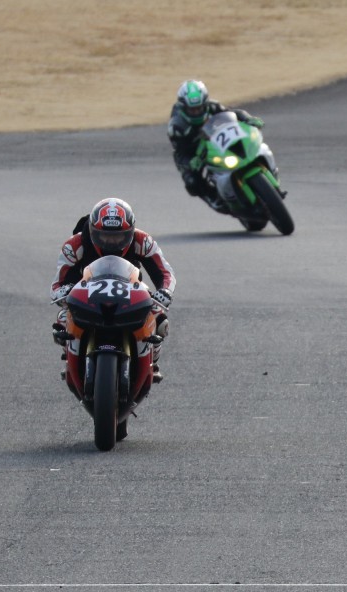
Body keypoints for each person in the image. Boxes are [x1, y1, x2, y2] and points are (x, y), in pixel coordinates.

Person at [51, 197, 176, 382]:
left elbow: (165, 273)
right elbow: (58, 283)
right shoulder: (75, 244)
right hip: (86, 293)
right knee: (63, 318)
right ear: (92, 231)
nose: (111, 241)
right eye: (104, 236)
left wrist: (165, 291)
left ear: (130, 231)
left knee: (160, 319)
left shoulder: (142, 240)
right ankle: (71, 359)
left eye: (119, 236)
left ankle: (153, 363)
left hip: (131, 290)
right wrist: (62, 292)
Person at [167, 79, 265, 213]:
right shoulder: (177, 127)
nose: (197, 112)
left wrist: (248, 118)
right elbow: (180, 153)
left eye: (200, 108)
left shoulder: (213, 106)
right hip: (192, 152)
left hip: (216, 139)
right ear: (183, 107)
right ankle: (213, 197)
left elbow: (232, 114)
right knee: (192, 182)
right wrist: (190, 163)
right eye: (192, 110)